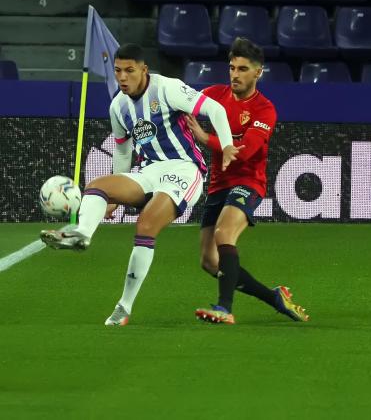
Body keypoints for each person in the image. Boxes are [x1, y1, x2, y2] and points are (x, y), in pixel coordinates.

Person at [40, 43, 241, 326]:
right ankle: (82, 233)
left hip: (184, 171)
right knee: (98, 184)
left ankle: (124, 306)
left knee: (145, 226)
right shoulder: (118, 107)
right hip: (148, 171)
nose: (123, 77)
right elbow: (123, 152)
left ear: (143, 70)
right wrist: (113, 200)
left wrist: (228, 145)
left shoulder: (167, 89)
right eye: (118, 71)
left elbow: (215, 108)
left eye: (130, 71)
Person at [185, 38, 309, 325]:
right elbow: (184, 102)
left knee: (224, 233)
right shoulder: (214, 95)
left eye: (242, 69)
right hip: (217, 184)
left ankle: (225, 309)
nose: (235, 75)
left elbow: (247, 150)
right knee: (209, 261)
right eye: (232, 68)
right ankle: (274, 297)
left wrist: (205, 139)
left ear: (258, 73)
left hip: (248, 182)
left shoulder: (265, 109)